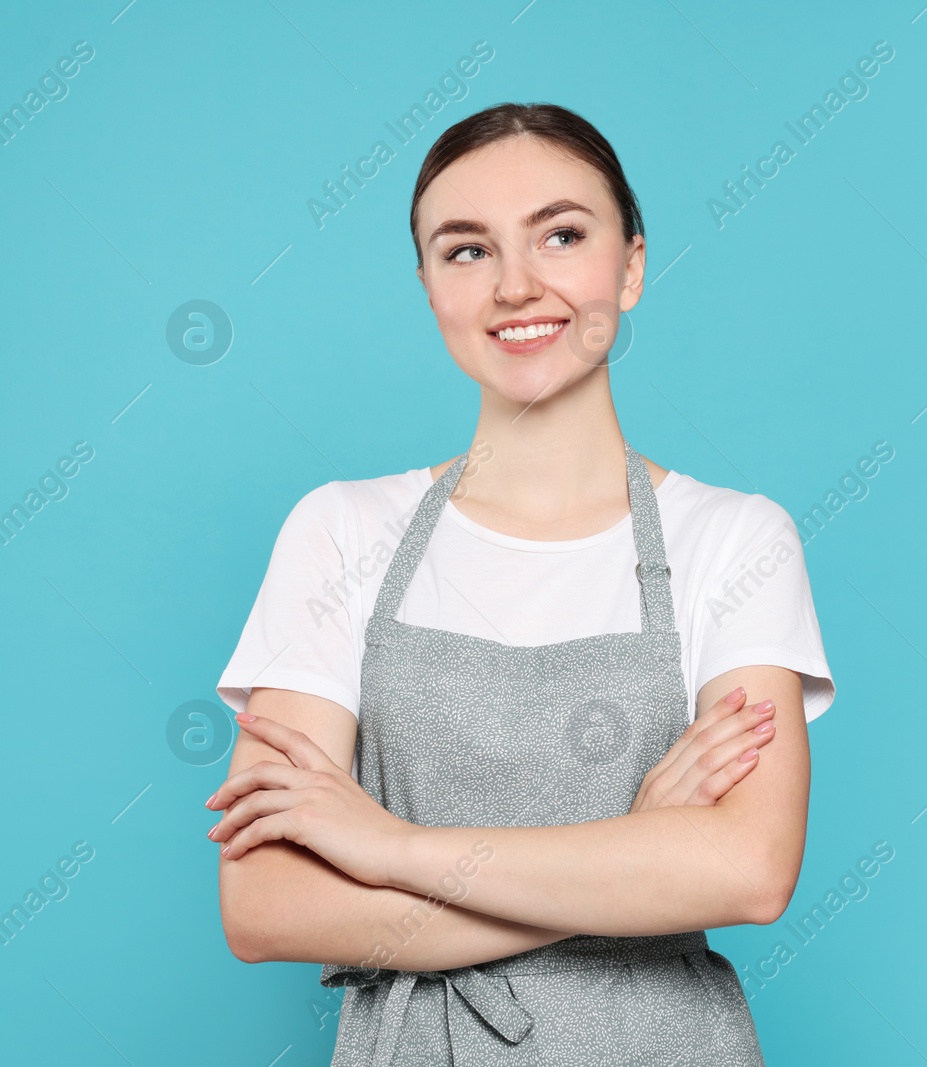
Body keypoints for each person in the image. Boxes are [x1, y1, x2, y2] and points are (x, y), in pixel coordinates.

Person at [207, 102, 834, 1065]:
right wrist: (634, 850)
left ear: (629, 264)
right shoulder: (339, 533)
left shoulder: (735, 539)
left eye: (561, 235)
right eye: (466, 251)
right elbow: (266, 905)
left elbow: (747, 871)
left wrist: (393, 850)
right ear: (427, 287)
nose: (515, 285)